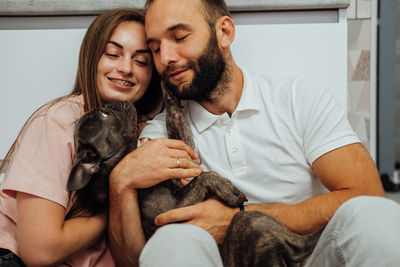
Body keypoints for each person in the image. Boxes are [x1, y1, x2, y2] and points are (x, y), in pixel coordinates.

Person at [107, 0, 400, 266]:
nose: (165, 58)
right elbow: (136, 259)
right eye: (155, 48)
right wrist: (120, 181)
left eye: (180, 37)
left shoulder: (299, 97)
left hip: (310, 258)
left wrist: (237, 218)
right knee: (172, 241)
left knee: (374, 217)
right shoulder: (162, 135)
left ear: (224, 32)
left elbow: (366, 196)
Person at [0, 8, 164, 266]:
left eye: (141, 61)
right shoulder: (59, 121)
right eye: (113, 54)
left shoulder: (150, 135)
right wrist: (119, 200)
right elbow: (40, 250)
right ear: (92, 57)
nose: (125, 68)